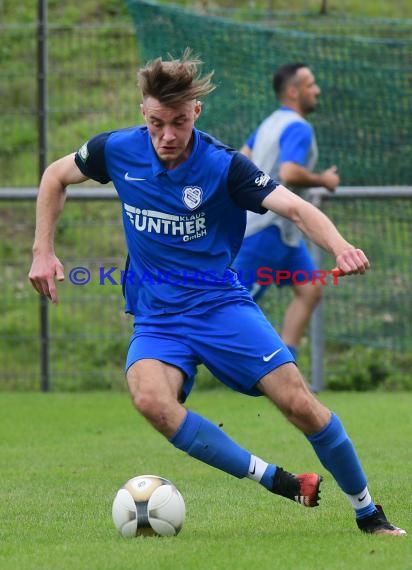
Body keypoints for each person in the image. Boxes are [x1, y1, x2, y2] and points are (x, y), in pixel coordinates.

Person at [28, 49, 405, 536]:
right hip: (158, 319)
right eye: (158, 122)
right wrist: (43, 249)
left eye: (179, 122)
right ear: (143, 110)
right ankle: (275, 480)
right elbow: (55, 175)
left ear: (196, 114)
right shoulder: (116, 150)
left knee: (299, 405)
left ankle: (368, 512)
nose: (168, 135)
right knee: (150, 400)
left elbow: (293, 207)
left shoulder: (224, 166)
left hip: (221, 307)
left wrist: (340, 246)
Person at [233, 62, 340, 363]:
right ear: (293, 92)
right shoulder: (298, 127)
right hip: (267, 229)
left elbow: (242, 158)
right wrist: (324, 180)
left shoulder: (269, 124)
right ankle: (177, 357)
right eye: (311, 84)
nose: (317, 90)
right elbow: (289, 172)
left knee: (310, 289)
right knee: (228, 309)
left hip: (282, 232)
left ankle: (283, 361)